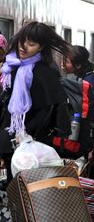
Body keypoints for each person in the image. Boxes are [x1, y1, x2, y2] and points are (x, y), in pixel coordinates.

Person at [0, 22, 71, 177]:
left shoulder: (46, 73)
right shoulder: (11, 66)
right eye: (21, 41)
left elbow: (49, 109)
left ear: (41, 47)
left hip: (33, 146)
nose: (23, 47)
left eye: (31, 44)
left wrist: (26, 136)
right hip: (9, 138)